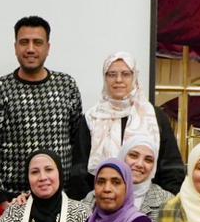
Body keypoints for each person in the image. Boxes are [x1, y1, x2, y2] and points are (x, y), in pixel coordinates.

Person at [0, 16, 83, 202]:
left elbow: (78, 143)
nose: (31, 49)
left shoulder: (67, 86)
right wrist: (1, 198)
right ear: (15, 47)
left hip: (61, 198)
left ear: (48, 48)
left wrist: (73, 195)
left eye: (38, 42)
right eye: (24, 42)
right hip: (14, 200)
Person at [77, 52, 184, 193]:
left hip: (148, 200)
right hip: (102, 199)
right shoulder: (92, 117)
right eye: (112, 74)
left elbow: (171, 167)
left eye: (125, 74)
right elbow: (79, 171)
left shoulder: (155, 116)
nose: (118, 80)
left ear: (135, 77)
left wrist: (163, 201)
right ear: (105, 78)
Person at [80, 134, 173, 222]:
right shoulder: (94, 197)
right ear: (122, 156)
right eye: (133, 156)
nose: (139, 164)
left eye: (148, 160)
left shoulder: (168, 202)